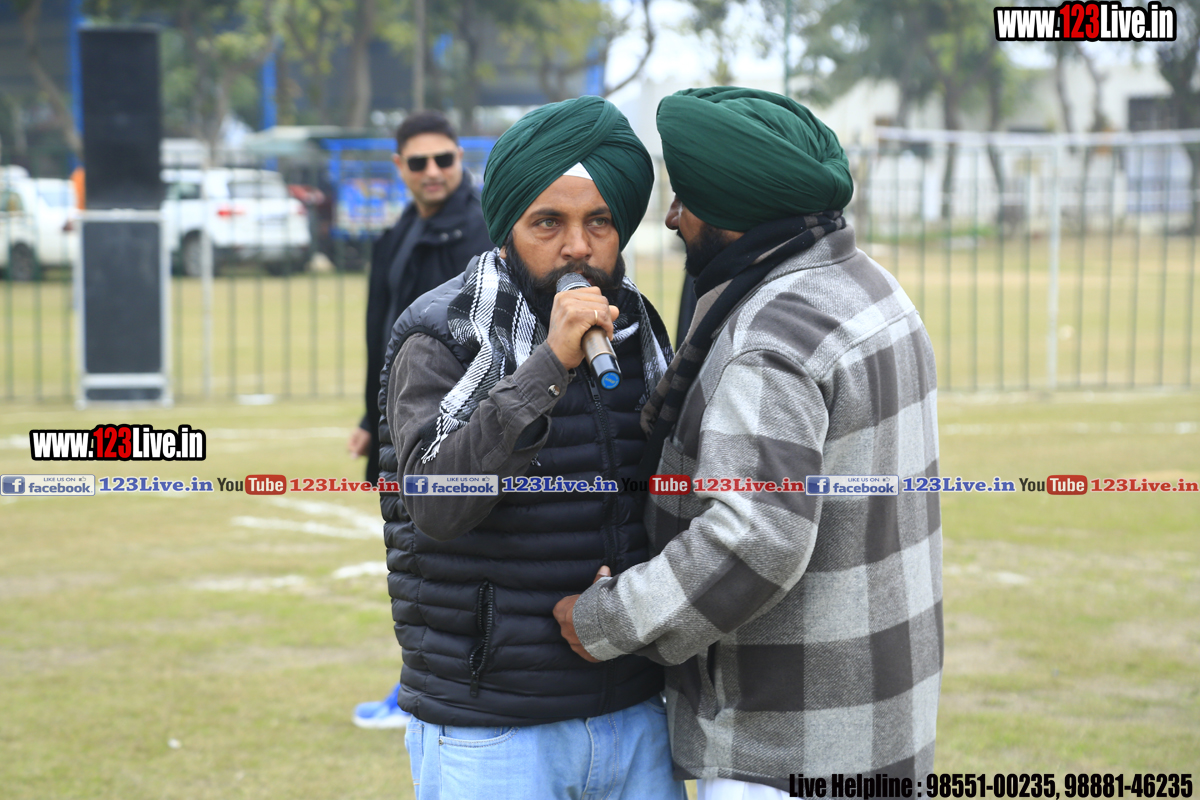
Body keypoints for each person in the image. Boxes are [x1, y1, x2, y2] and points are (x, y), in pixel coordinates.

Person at [554, 87, 944, 799]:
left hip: (784, 746)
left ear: (733, 209)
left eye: (686, 198)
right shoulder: (873, 288)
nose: (671, 217)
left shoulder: (771, 336)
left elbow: (754, 537)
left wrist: (606, 619)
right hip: (884, 723)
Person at [377, 95, 683, 799]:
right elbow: (438, 504)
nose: (577, 246)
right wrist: (547, 367)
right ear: (509, 228)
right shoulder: (443, 335)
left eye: (599, 222)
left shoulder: (636, 330)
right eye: (549, 222)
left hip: (634, 707)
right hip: (494, 724)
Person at [350, 111, 492, 730]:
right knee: (410, 558)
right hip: (401, 424)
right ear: (399, 168)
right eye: (419, 162)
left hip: (460, 429)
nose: (433, 172)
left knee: (448, 560)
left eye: (444, 159)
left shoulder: (483, 230)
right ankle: (414, 684)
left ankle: (430, 691)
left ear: (460, 159)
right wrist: (369, 416)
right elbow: (381, 336)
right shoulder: (400, 232)